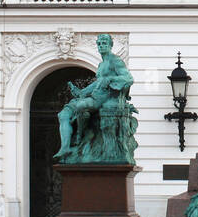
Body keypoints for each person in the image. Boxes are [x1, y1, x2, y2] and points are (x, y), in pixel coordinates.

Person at [53, 33, 137, 164]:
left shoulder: (115, 61)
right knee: (63, 114)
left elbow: (128, 79)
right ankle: (65, 149)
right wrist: (81, 91)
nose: (102, 46)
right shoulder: (101, 64)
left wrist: (110, 79)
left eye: (105, 43)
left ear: (110, 45)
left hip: (102, 99)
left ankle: (80, 136)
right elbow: (97, 83)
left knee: (81, 106)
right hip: (92, 96)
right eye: (100, 43)